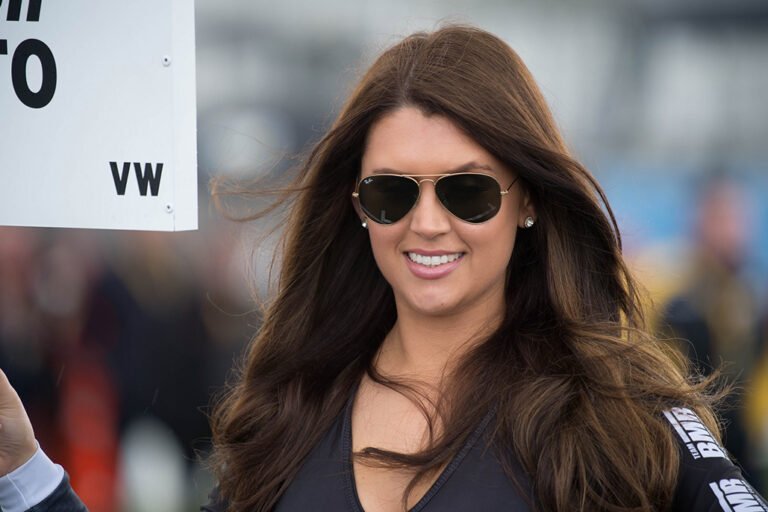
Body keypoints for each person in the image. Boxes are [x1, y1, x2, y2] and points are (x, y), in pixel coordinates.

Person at [1, 24, 766, 512]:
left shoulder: (620, 411)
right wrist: (24, 470)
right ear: (357, 206)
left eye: (467, 191)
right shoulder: (292, 411)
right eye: (392, 192)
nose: (426, 223)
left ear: (528, 198)